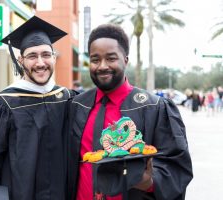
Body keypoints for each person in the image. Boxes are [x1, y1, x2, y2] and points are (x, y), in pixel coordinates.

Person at [0, 16, 76, 200]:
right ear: (20, 60)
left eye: (45, 54)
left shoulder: (67, 99)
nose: (40, 63)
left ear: (53, 57)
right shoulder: (3, 106)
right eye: (32, 56)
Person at [67, 24, 193, 200]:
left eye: (111, 58)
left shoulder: (153, 107)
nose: (102, 66)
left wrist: (150, 183)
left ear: (125, 60)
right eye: (95, 60)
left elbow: (176, 165)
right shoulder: (76, 106)